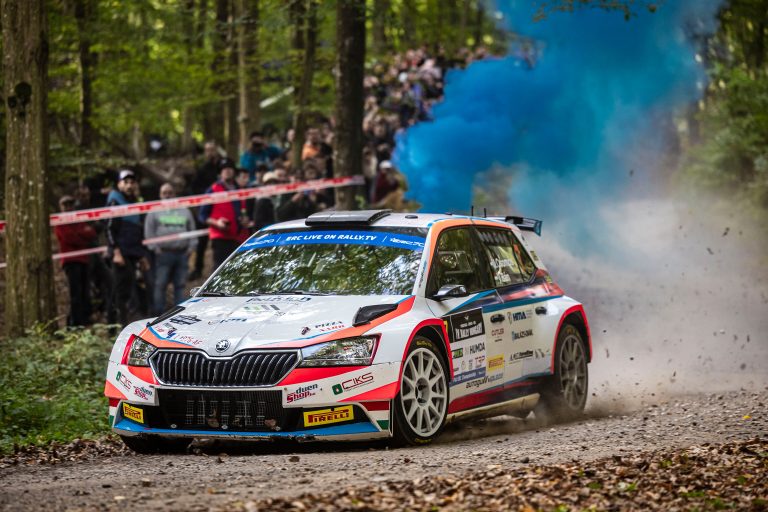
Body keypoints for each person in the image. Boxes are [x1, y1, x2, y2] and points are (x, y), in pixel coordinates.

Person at [144, 183, 197, 315]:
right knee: (160, 285)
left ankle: (179, 314)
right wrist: (155, 249)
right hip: (163, 254)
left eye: (170, 192)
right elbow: (149, 232)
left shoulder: (184, 210)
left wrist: (191, 248)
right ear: (160, 195)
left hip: (182, 254)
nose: (167, 195)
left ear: (174, 194)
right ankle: (158, 314)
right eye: (164, 193)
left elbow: (192, 230)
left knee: (180, 285)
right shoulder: (154, 211)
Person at [106, 169, 151, 324]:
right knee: (120, 292)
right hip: (121, 254)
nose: (129, 185)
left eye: (132, 182)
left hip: (133, 253)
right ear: (119, 184)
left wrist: (142, 255)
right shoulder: (115, 201)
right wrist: (116, 251)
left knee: (131, 290)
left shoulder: (134, 202)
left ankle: (121, 323)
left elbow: (137, 231)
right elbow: (109, 228)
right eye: (126, 182)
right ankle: (115, 326)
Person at [54, 195, 98, 326]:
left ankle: (84, 320)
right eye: (65, 205)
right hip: (70, 260)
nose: (68, 207)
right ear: (61, 207)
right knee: (75, 293)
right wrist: (82, 235)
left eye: (70, 204)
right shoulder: (59, 221)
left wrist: (81, 234)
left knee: (85, 291)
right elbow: (69, 237)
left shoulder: (78, 219)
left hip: (83, 259)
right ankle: (74, 323)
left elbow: (91, 233)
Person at [198, 159, 250, 269]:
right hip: (221, 238)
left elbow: (244, 210)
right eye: (223, 168)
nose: (227, 170)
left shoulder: (240, 189)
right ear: (220, 172)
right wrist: (217, 223)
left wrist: (245, 219)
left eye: (229, 167)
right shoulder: (213, 189)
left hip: (239, 237)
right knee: (220, 269)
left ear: (234, 171)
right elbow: (202, 215)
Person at [189, 141, 221, 281]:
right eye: (207, 150)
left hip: (221, 210)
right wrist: (209, 193)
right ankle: (198, 269)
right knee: (201, 242)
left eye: (212, 149)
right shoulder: (202, 170)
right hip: (206, 209)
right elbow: (193, 188)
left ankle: (218, 269)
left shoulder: (222, 167)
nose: (210, 152)